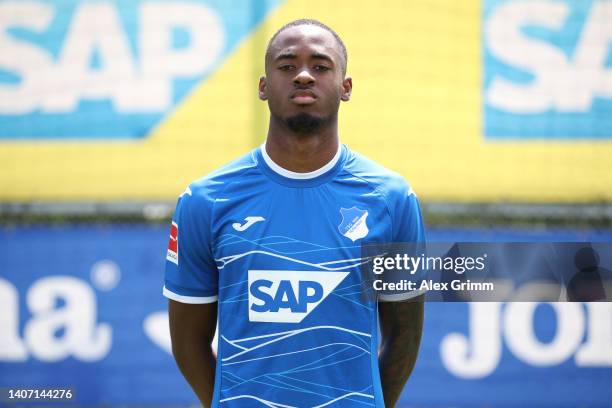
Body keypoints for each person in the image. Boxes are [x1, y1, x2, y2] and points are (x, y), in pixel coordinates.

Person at [164, 19, 425, 408]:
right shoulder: (205, 201)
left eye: (321, 66)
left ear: (345, 87)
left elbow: (404, 336)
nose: (304, 76)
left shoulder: (392, 199)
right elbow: (188, 344)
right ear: (264, 87)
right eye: (287, 67)